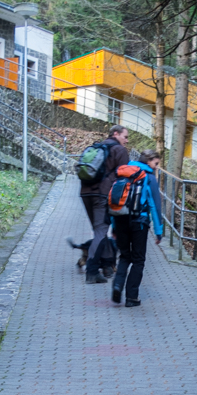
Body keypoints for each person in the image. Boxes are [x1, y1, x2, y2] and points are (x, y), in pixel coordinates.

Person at [111, 149, 163, 307]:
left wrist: (113, 227)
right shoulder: (149, 177)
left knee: (125, 256)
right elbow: (155, 205)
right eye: (156, 163)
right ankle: (131, 297)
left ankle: (117, 285)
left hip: (120, 220)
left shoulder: (124, 172)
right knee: (138, 260)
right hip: (139, 222)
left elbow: (115, 202)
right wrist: (159, 231)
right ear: (149, 161)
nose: (156, 166)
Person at [81, 125, 129, 284]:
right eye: (125, 136)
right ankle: (92, 271)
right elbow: (125, 176)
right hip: (101, 195)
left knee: (98, 230)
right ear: (116, 133)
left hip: (86, 192)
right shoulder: (119, 151)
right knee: (101, 231)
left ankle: (107, 264)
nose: (126, 141)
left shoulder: (96, 147)